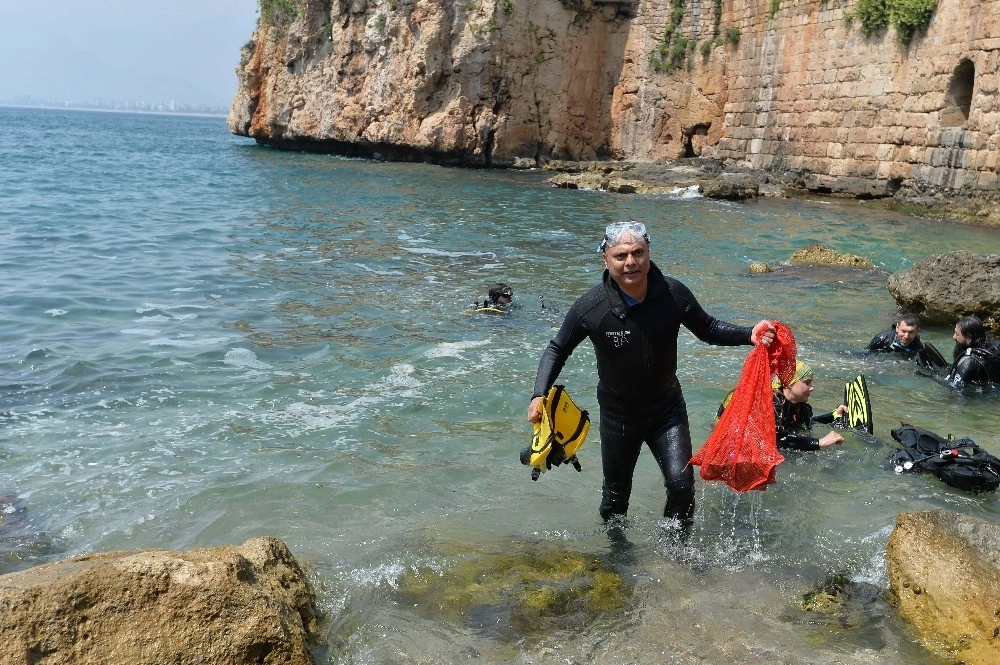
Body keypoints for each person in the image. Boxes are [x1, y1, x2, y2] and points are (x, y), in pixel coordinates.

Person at [525, 220, 775, 530]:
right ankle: (617, 558)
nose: (630, 262)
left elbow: (708, 328)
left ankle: (675, 554)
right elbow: (557, 349)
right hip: (619, 415)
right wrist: (539, 394)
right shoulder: (591, 307)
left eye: (637, 253)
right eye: (620, 256)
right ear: (606, 259)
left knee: (682, 487)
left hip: (666, 409)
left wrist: (749, 333)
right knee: (615, 500)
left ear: (648, 253)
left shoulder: (673, 294)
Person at [767, 361, 848, 451]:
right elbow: (777, 440)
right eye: (807, 382)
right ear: (788, 382)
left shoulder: (801, 406)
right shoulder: (771, 406)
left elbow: (808, 422)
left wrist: (834, 415)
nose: (812, 387)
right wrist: (819, 442)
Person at [946, 315, 1000, 388]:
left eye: (957, 334)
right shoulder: (991, 351)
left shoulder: (968, 361)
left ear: (969, 339)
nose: (954, 337)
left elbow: (957, 391)